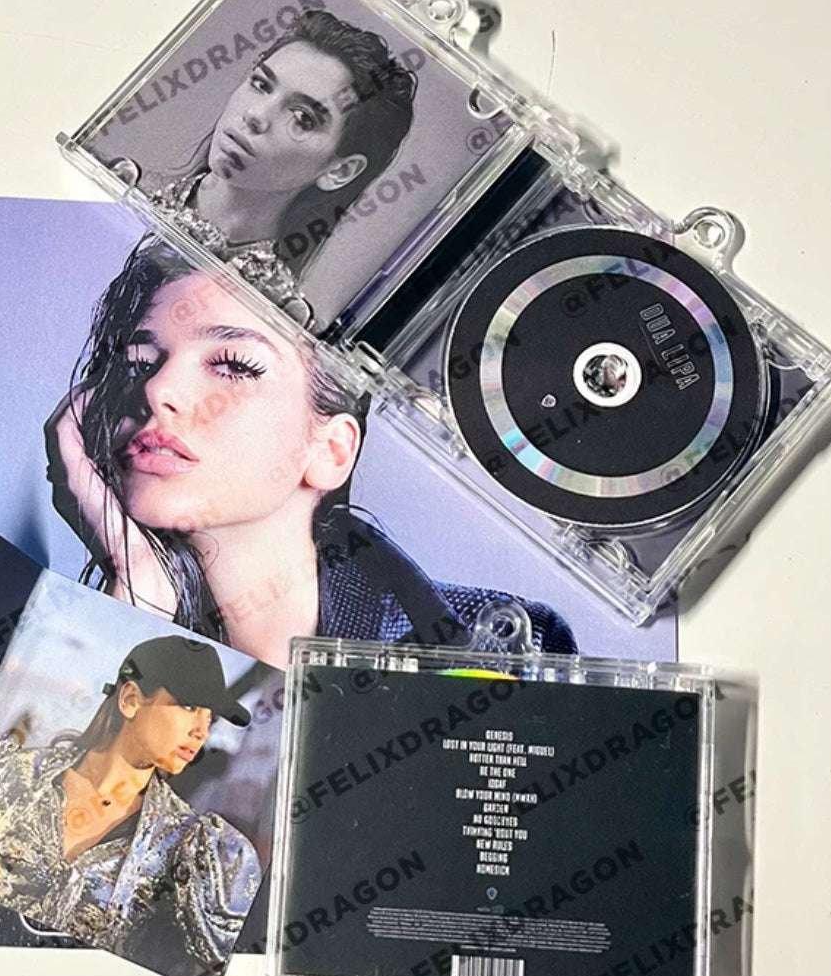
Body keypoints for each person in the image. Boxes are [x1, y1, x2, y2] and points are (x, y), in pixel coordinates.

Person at [44, 241, 576, 671]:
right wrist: (136, 593)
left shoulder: (507, 646)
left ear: (331, 450)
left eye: (234, 365)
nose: (158, 389)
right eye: (139, 362)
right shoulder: (80, 627)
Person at [0, 635, 261, 976]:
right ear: (130, 699)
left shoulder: (193, 846)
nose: (202, 730)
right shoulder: (8, 772)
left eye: (210, 717)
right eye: (189, 707)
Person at [141, 8, 417, 324]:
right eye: (261, 84)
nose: (255, 115)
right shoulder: (125, 189)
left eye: (302, 118)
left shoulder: (278, 316)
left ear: (340, 171)